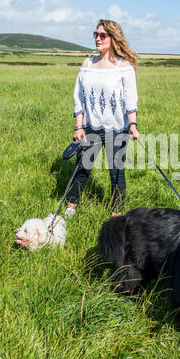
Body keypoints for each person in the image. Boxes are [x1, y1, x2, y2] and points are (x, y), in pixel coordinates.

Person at [65, 19, 139, 218]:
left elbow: (130, 99)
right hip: (91, 127)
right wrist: (78, 126)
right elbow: (78, 98)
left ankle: (116, 217)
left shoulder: (125, 66)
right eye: (95, 34)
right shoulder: (87, 64)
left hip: (116, 128)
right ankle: (70, 209)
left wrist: (132, 124)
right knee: (82, 167)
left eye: (103, 35)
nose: (98, 38)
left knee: (116, 172)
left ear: (113, 39)